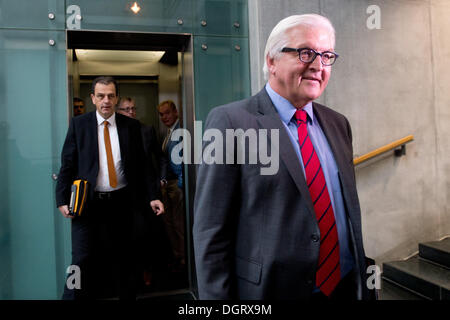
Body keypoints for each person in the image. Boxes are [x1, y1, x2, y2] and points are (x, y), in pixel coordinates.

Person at [193, 14, 372, 300]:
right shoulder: (230, 121)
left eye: (326, 56)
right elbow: (211, 231)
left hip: (343, 288)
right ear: (272, 61)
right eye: (306, 53)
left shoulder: (339, 124)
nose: (318, 65)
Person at [55, 76, 164, 300]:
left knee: (126, 260)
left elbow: (144, 166)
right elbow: (67, 163)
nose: (106, 100)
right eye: (101, 96)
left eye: (111, 96)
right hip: (88, 204)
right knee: (81, 260)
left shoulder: (131, 127)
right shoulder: (79, 124)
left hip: (122, 204)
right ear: (93, 98)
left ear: (116, 98)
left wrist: (153, 196)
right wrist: (61, 198)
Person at [117, 96, 170, 289]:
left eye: (133, 108)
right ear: (118, 112)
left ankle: (149, 271)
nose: (131, 112)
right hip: (122, 193)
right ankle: (130, 274)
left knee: (148, 234)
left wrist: (162, 179)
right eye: (126, 109)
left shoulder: (146, 130)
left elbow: (161, 157)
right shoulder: (114, 132)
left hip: (147, 193)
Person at [158, 100, 185, 273]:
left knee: (178, 222)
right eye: (161, 114)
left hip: (178, 184)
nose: (164, 117)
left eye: (167, 113)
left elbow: (186, 160)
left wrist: (182, 186)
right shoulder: (168, 132)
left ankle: (184, 257)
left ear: (175, 112)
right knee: (169, 222)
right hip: (168, 184)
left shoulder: (181, 131)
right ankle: (178, 255)